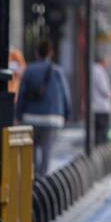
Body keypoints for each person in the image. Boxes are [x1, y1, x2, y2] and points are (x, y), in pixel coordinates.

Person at [15, 40, 71, 175]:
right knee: (46, 147)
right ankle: (43, 176)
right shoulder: (57, 71)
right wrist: (67, 114)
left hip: (31, 117)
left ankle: (33, 175)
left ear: (36, 54)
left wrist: (18, 114)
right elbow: (65, 93)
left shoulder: (29, 70)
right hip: (51, 118)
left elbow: (21, 93)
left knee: (32, 146)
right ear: (50, 54)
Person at [91, 52, 111, 145]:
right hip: (102, 107)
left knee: (97, 132)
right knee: (102, 133)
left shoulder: (94, 69)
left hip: (95, 106)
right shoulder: (99, 71)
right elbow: (104, 89)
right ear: (103, 61)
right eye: (108, 61)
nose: (109, 64)